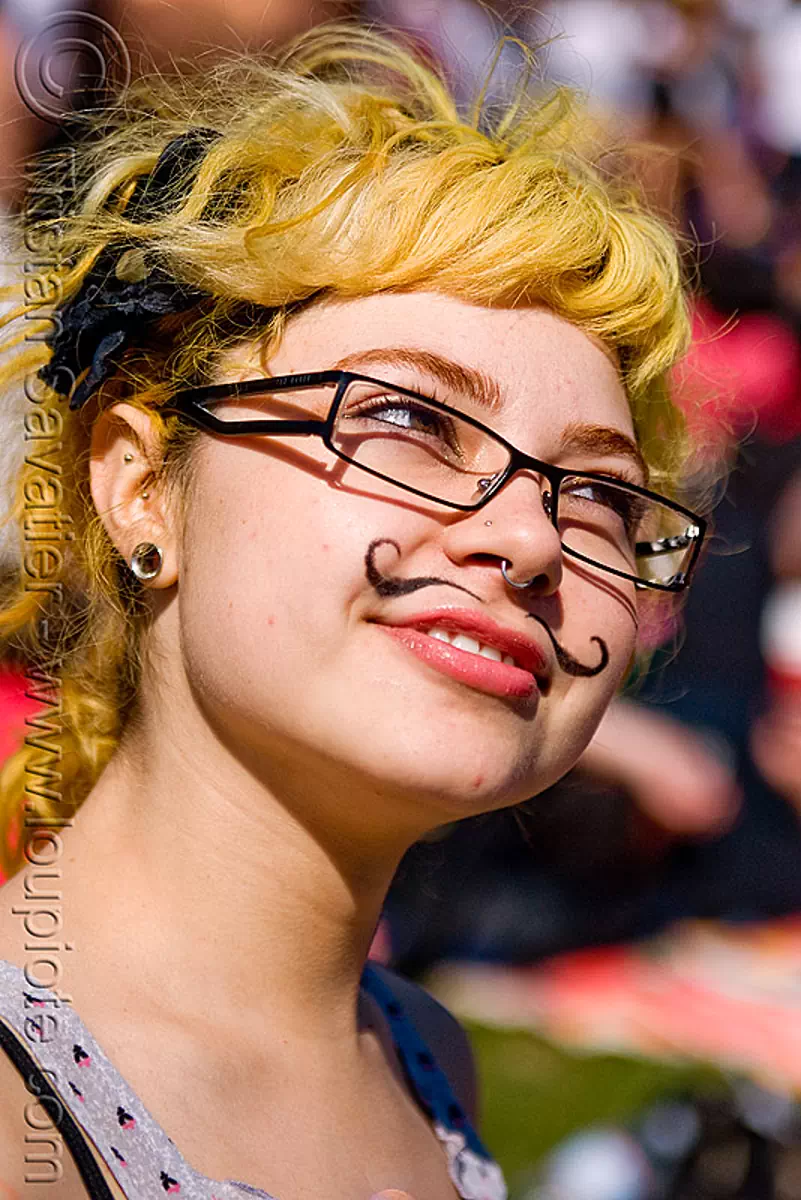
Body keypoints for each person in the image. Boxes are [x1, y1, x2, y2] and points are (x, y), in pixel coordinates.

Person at [0, 23, 705, 1200]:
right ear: (137, 484)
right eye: (411, 423)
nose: (530, 537)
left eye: (597, 494)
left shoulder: (432, 1064)